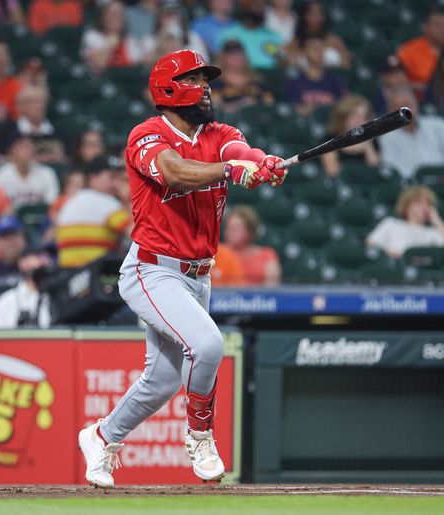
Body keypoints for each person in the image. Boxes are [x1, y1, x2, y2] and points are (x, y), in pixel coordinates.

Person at [77, 49, 288, 488]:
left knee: (163, 380)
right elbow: (173, 173)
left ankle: (100, 436)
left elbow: (240, 149)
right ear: (169, 89)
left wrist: (259, 162)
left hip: (199, 275)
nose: (205, 87)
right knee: (209, 345)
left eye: (205, 79)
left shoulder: (219, 132)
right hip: (151, 269)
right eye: (194, 78)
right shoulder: (146, 135)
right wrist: (231, 170)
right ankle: (200, 436)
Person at [55, 156, 132, 268]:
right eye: (111, 177)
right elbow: (136, 234)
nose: (116, 184)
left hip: (68, 274)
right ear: (93, 178)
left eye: (118, 178)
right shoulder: (104, 200)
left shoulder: (72, 200)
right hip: (94, 274)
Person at [377, 86, 444, 180]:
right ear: (390, 111)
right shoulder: (387, 137)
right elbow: (393, 169)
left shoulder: (439, 125)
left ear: (416, 104)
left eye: (407, 105)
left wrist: (443, 173)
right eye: (397, 108)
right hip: (412, 187)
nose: (403, 112)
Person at [366, 185, 444, 259]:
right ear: (407, 206)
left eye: (428, 204)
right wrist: (392, 254)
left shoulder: (433, 232)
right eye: (419, 203)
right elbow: (371, 244)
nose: (424, 208)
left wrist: (437, 221)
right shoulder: (391, 224)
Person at [80, 0, 150, 77]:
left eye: (120, 14)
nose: (117, 17)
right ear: (103, 16)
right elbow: (97, 66)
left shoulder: (130, 40)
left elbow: (139, 68)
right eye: (112, 14)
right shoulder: (92, 36)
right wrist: (109, 45)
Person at [0, 250, 54, 329]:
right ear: (22, 263)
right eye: (38, 256)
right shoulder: (6, 301)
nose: (44, 261)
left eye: (48, 256)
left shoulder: (59, 298)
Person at [320, 95, 381, 178]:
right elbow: (332, 171)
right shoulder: (330, 138)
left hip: (367, 182)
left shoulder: (371, 139)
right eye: (355, 114)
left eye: (364, 116)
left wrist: (368, 145)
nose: (359, 119)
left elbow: (375, 169)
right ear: (344, 116)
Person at [0, 133, 60, 209]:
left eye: (30, 147)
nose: (28, 151)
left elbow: (52, 203)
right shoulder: (2, 175)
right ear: (12, 151)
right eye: (23, 147)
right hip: (14, 218)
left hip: (40, 216)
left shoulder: (47, 173)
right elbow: (0, 205)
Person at [286, 35, 347, 117]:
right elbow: (296, 110)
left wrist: (314, 108)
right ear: (304, 52)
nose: (319, 51)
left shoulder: (334, 80)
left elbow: (345, 106)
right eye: (314, 48)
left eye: (321, 48)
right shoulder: (295, 82)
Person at [4, 85, 67, 163]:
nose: (37, 106)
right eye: (31, 102)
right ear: (20, 106)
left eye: (40, 101)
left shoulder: (59, 130)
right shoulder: (9, 131)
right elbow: (1, 158)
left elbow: (66, 157)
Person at [210, 40, 275, 115]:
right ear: (223, 57)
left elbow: (269, 101)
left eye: (239, 53)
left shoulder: (257, 80)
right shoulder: (215, 81)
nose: (237, 57)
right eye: (232, 54)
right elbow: (213, 104)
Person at [216, 0, 283, 71]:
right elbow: (220, 64)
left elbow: (282, 62)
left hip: (271, 77)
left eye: (262, 4)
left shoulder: (273, 36)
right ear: (243, 7)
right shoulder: (229, 36)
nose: (259, 8)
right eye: (254, 4)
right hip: (240, 77)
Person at [284, 0, 351, 70]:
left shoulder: (334, 41)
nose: (316, 17)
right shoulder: (295, 42)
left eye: (319, 14)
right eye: (311, 14)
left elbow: (346, 64)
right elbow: (287, 63)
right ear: (304, 16)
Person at [223, 206, 281, 286]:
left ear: (250, 231)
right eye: (229, 228)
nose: (231, 233)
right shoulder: (218, 254)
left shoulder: (266, 255)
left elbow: (272, 289)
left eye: (236, 228)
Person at [144, 1, 208, 66]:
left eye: (175, 15)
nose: (171, 19)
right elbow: (146, 61)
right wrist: (160, 43)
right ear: (160, 18)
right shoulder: (150, 38)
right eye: (167, 15)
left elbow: (203, 60)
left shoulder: (192, 36)